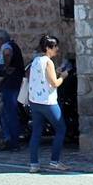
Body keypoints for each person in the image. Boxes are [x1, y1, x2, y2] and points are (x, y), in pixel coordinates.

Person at [27, 34, 70, 174]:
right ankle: (54, 161)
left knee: (36, 132)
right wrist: (63, 76)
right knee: (61, 129)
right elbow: (54, 83)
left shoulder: (35, 61)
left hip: (35, 101)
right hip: (48, 101)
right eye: (55, 47)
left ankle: (34, 163)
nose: (57, 49)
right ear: (48, 48)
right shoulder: (48, 62)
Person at [0, 28, 25, 152]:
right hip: (14, 82)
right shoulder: (13, 45)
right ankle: (9, 139)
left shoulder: (6, 46)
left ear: (1, 39)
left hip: (10, 84)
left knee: (9, 112)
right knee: (5, 113)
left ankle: (12, 141)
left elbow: (7, 53)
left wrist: (5, 68)